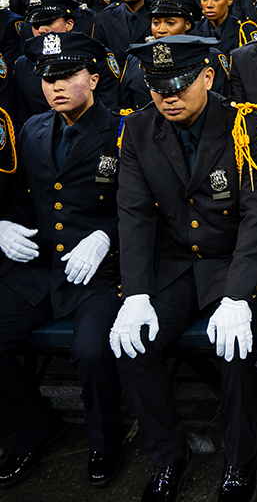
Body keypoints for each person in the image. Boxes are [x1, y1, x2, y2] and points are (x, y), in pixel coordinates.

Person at [109, 35, 257, 502]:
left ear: (207, 76)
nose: (168, 96)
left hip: (231, 260)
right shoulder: (139, 131)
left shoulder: (246, 126)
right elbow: (136, 216)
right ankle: (168, 455)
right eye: (158, 86)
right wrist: (136, 293)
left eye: (180, 84)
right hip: (176, 265)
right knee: (133, 343)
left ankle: (241, 462)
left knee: (237, 347)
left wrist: (240, 294)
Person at [0, 33, 123, 490]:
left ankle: (105, 441)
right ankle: (36, 427)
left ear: (93, 77)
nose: (56, 85)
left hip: (97, 269)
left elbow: (144, 206)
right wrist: (5, 225)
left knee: (91, 352)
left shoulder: (123, 130)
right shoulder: (31, 129)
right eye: (48, 77)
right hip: (39, 266)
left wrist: (105, 236)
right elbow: (20, 197)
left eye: (68, 75)